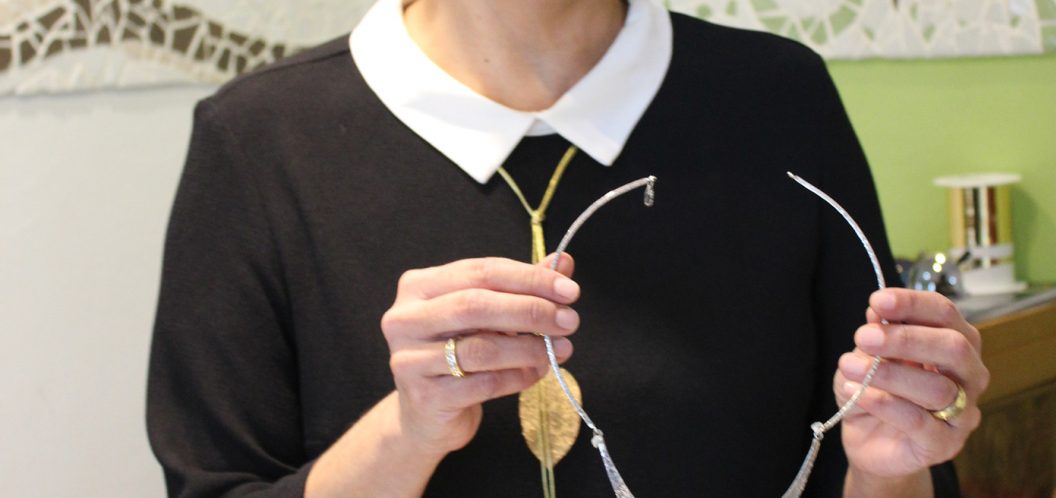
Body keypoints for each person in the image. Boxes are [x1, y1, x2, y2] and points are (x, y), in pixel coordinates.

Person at [146, 0, 989, 496]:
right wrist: (407, 431)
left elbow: (885, 453)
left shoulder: (777, 99)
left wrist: (896, 465)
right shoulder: (259, 143)